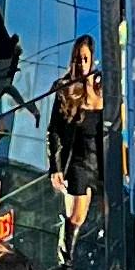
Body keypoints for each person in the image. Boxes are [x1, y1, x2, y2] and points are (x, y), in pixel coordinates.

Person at [47, 35, 106, 248]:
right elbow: (54, 131)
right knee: (76, 215)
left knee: (103, 212)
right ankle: (66, 259)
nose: (81, 63)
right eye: (78, 58)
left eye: (85, 58)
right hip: (78, 161)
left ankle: (84, 255)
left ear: (92, 60)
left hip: (100, 161)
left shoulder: (103, 89)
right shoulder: (66, 89)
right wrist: (56, 167)